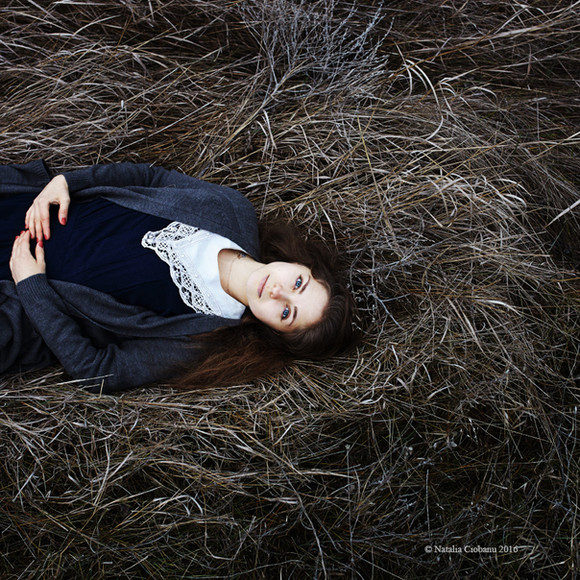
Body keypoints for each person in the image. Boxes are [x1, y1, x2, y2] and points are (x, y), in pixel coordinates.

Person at [1, 160, 356, 393]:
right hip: (29, 208)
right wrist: (66, 181)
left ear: (273, 331)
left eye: (286, 313)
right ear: (299, 264)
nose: (278, 291)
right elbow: (151, 178)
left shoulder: (200, 339)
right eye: (298, 284)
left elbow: (98, 371)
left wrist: (32, 289)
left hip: (16, 294)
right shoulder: (234, 211)